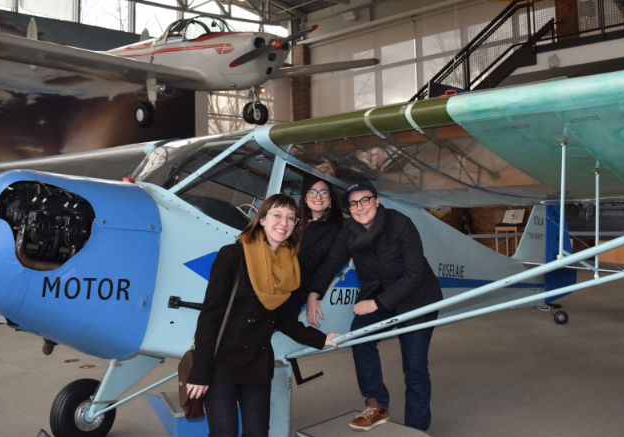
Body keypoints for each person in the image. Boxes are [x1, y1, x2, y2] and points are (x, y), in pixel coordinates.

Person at [186, 194, 339, 437]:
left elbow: (283, 319)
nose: (284, 222)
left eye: (291, 218)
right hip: (221, 364)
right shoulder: (233, 255)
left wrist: (320, 339)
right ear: (262, 220)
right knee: (224, 432)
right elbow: (210, 316)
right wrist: (200, 372)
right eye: (277, 215)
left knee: (257, 433)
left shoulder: (289, 267)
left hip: (256, 366)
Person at [306, 181, 442, 432]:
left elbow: (414, 275)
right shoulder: (349, 230)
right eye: (353, 204)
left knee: (414, 367)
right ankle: (377, 405)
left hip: (417, 298)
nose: (360, 207)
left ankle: (416, 428)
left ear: (377, 201)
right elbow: (333, 262)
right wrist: (314, 293)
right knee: (360, 338)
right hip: (379, 296)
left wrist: (377, 303)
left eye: (365, 200)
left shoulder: (400, 224)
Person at [286, 175, 343, 312]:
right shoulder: (295, 222)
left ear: (330, 201)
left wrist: (314, 292)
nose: (318, 196)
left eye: (324, 192)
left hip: (299, 288)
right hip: (280, 281)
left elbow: (329, 262)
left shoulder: (337, 228)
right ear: (305, 199)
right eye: (312, 191)